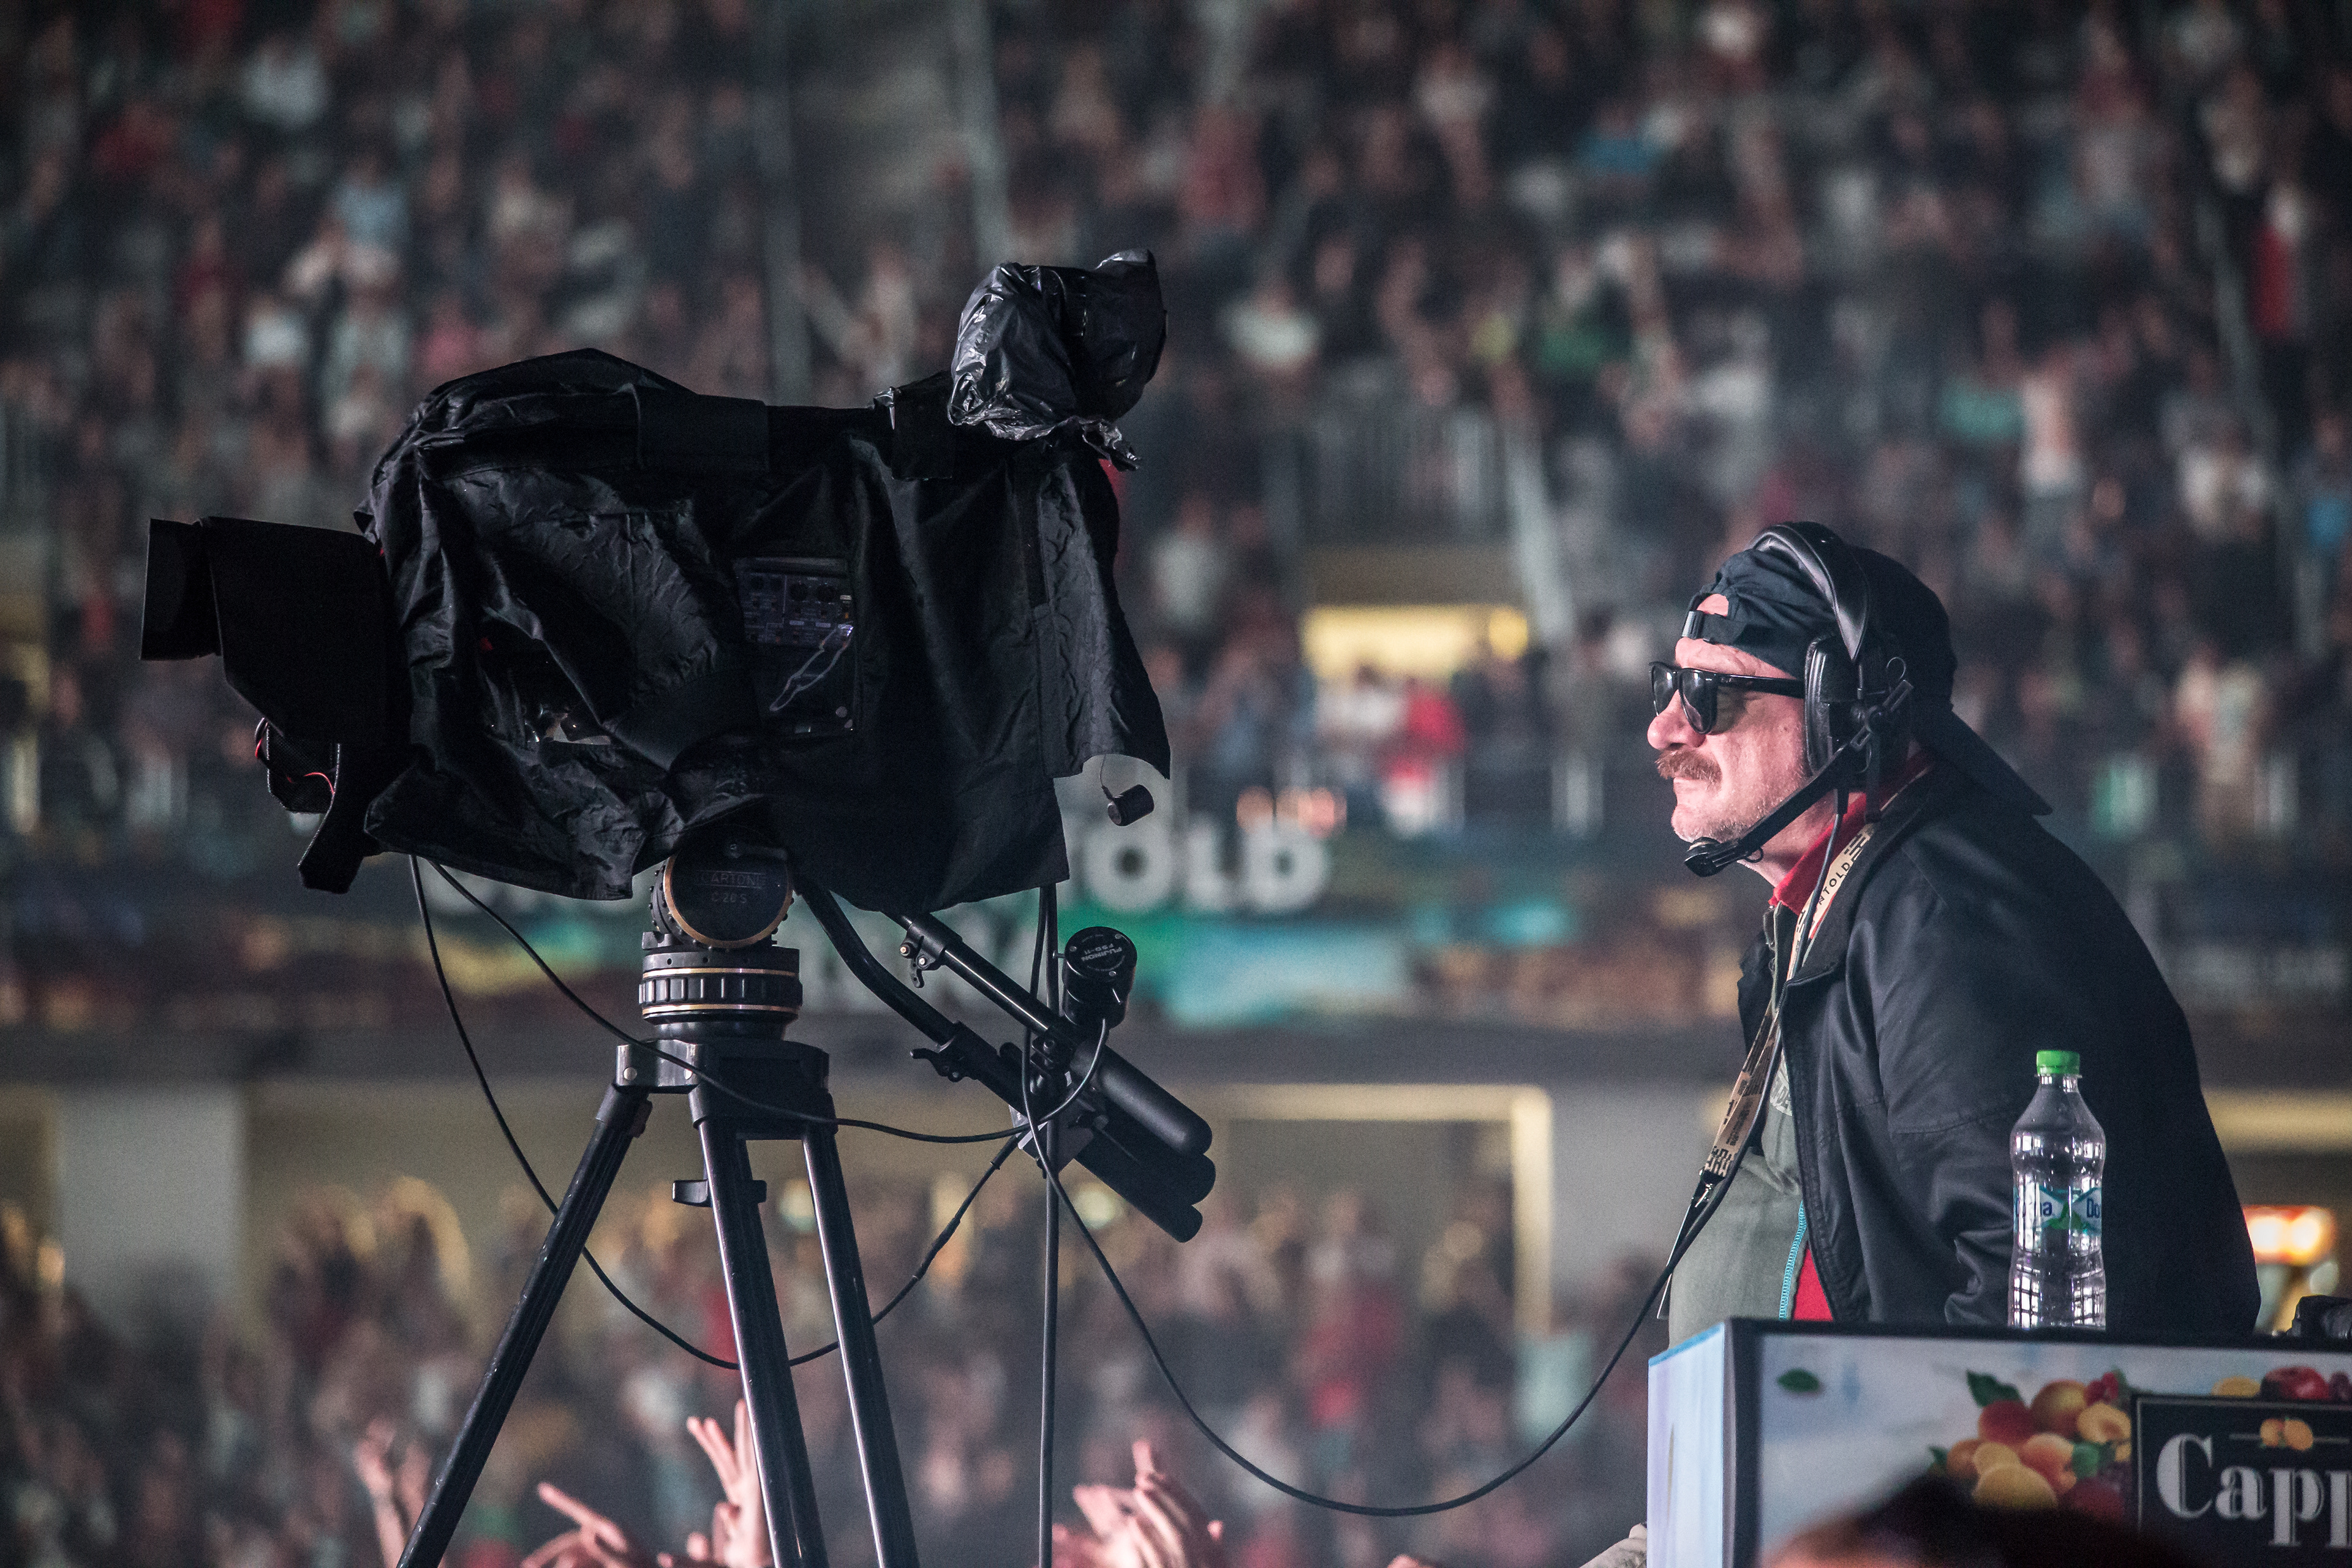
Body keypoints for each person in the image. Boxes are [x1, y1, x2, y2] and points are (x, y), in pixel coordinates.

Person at [1645, 525, 2256, 1340]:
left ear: (1845, 714)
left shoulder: (1946, 919)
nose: (1666, 729)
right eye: (1670, 687)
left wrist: (1899, 1429)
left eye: (1710, 696)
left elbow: (2041, 1297)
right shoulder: (1851, 909)